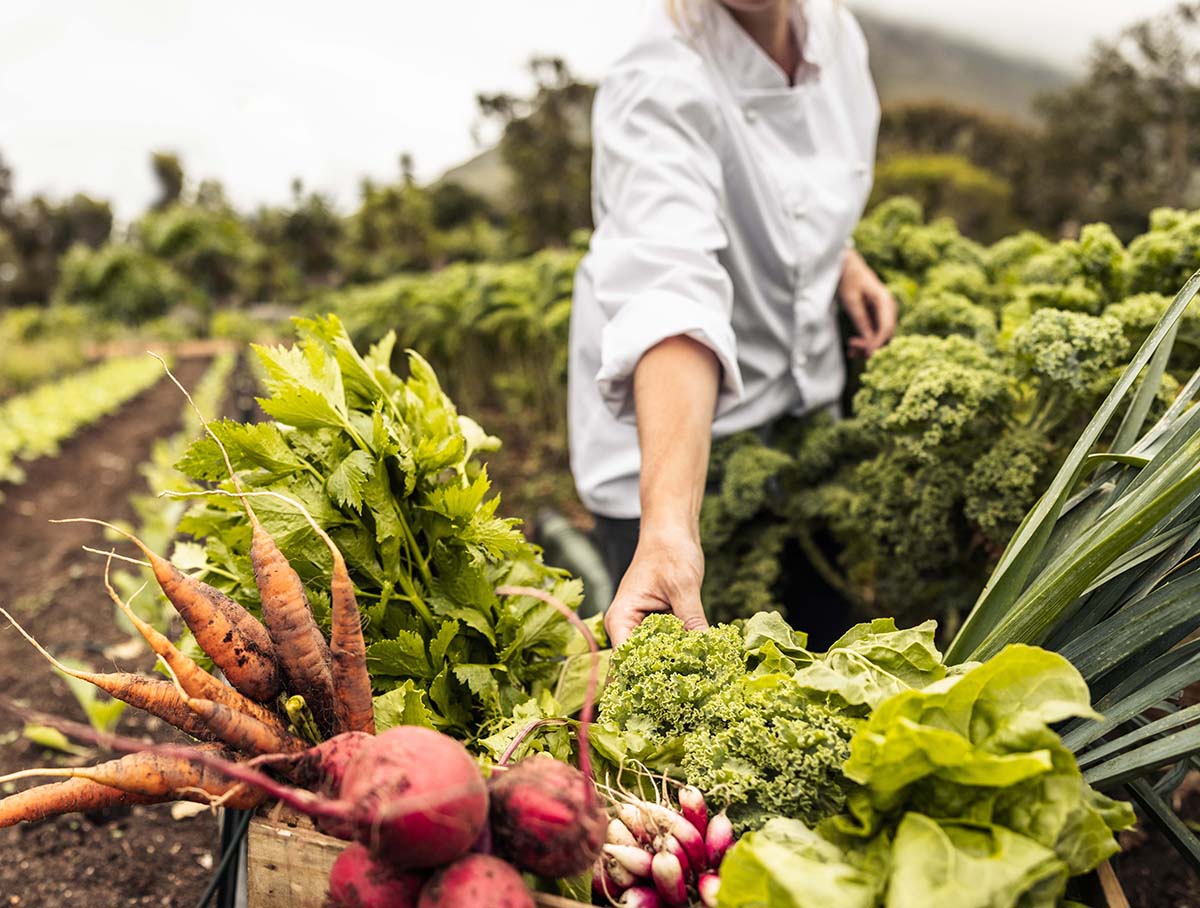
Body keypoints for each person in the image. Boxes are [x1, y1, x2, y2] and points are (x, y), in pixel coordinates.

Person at [568, 0, 897, 647]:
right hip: (668, 441)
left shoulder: (834, 35)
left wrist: (839, 256)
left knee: (824, 634)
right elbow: (671, 290)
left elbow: (799, 185)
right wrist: (667, 528)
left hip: (797, 410)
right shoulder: (657, 80)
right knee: (698, 700)